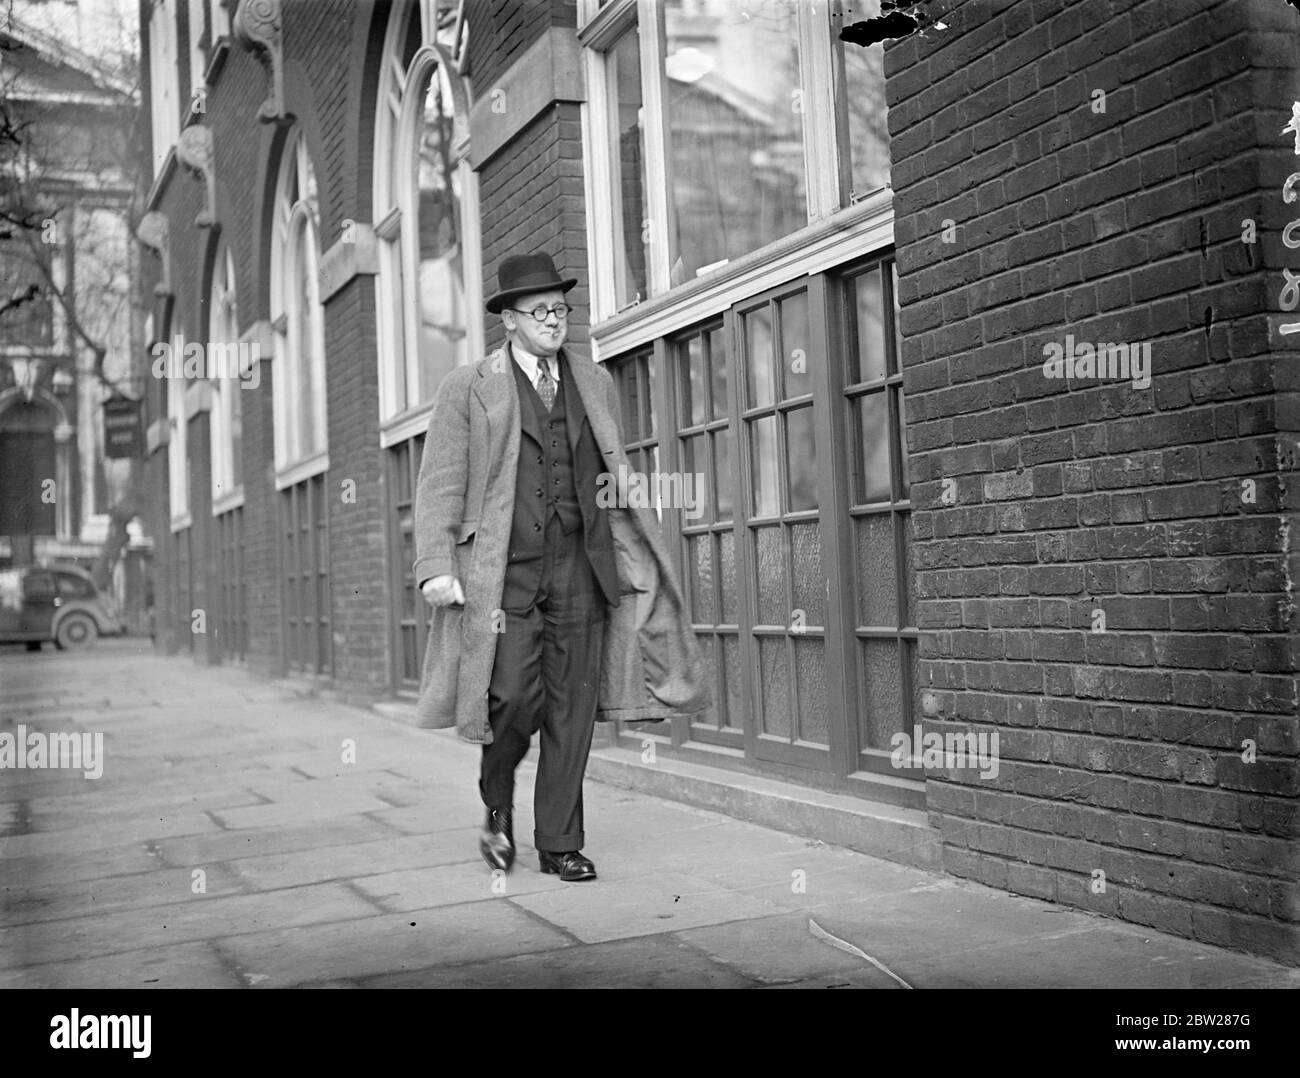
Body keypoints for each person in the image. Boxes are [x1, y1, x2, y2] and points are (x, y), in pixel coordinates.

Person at [412, 252, 710, 881]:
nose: (554, 319)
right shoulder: (468, 387)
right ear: (510, 322)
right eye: (540, 311)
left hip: (581, 564)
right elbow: (441, 479)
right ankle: (497, 805)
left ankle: (560, 843)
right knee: (512, 698)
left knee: (572, 707)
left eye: (561, 309)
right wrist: (436, 562)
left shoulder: (592, 380)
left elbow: (605, 471)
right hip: (503, 572)